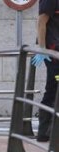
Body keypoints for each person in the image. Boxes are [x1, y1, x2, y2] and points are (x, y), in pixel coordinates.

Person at [32, 0, 59, 142]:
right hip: (54, 53)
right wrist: (42, 49)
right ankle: (44, 131)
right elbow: (41, 21)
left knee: (53, 89)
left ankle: (47, 131)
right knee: (53, 89)